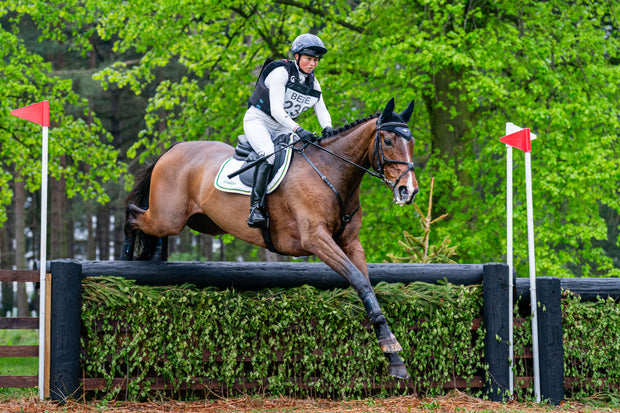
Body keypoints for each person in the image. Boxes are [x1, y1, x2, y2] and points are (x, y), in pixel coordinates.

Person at [244, 33, 333, 228]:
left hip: (282, 126)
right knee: (268, 154)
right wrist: (299, 129)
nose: (313, 64)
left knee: (303, 156)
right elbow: (276, 110)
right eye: (309, 59)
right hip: (258, 120)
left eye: (316, 60)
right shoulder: (281, 72)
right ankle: (255, 208)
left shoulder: (313, 82)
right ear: (297, 56)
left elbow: (322, 109)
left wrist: (328, 128)